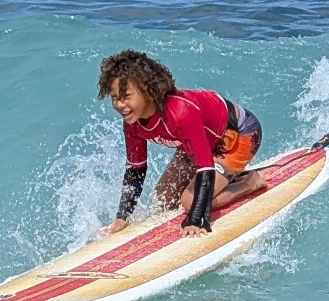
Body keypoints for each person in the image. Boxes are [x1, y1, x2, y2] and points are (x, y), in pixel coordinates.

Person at [98, 50, 264, 235]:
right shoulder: (132, 122)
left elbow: (205, 168)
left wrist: (197, 218)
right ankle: (226, 178)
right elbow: (136, 169)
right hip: (201, 143)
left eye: (126, 96)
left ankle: (249, 182)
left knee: (189, 202)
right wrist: (122, 217)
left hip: (237, 136)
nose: (120, 105)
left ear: (148, 91)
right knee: (163, 199)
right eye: (115, 98)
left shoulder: (180, 112)